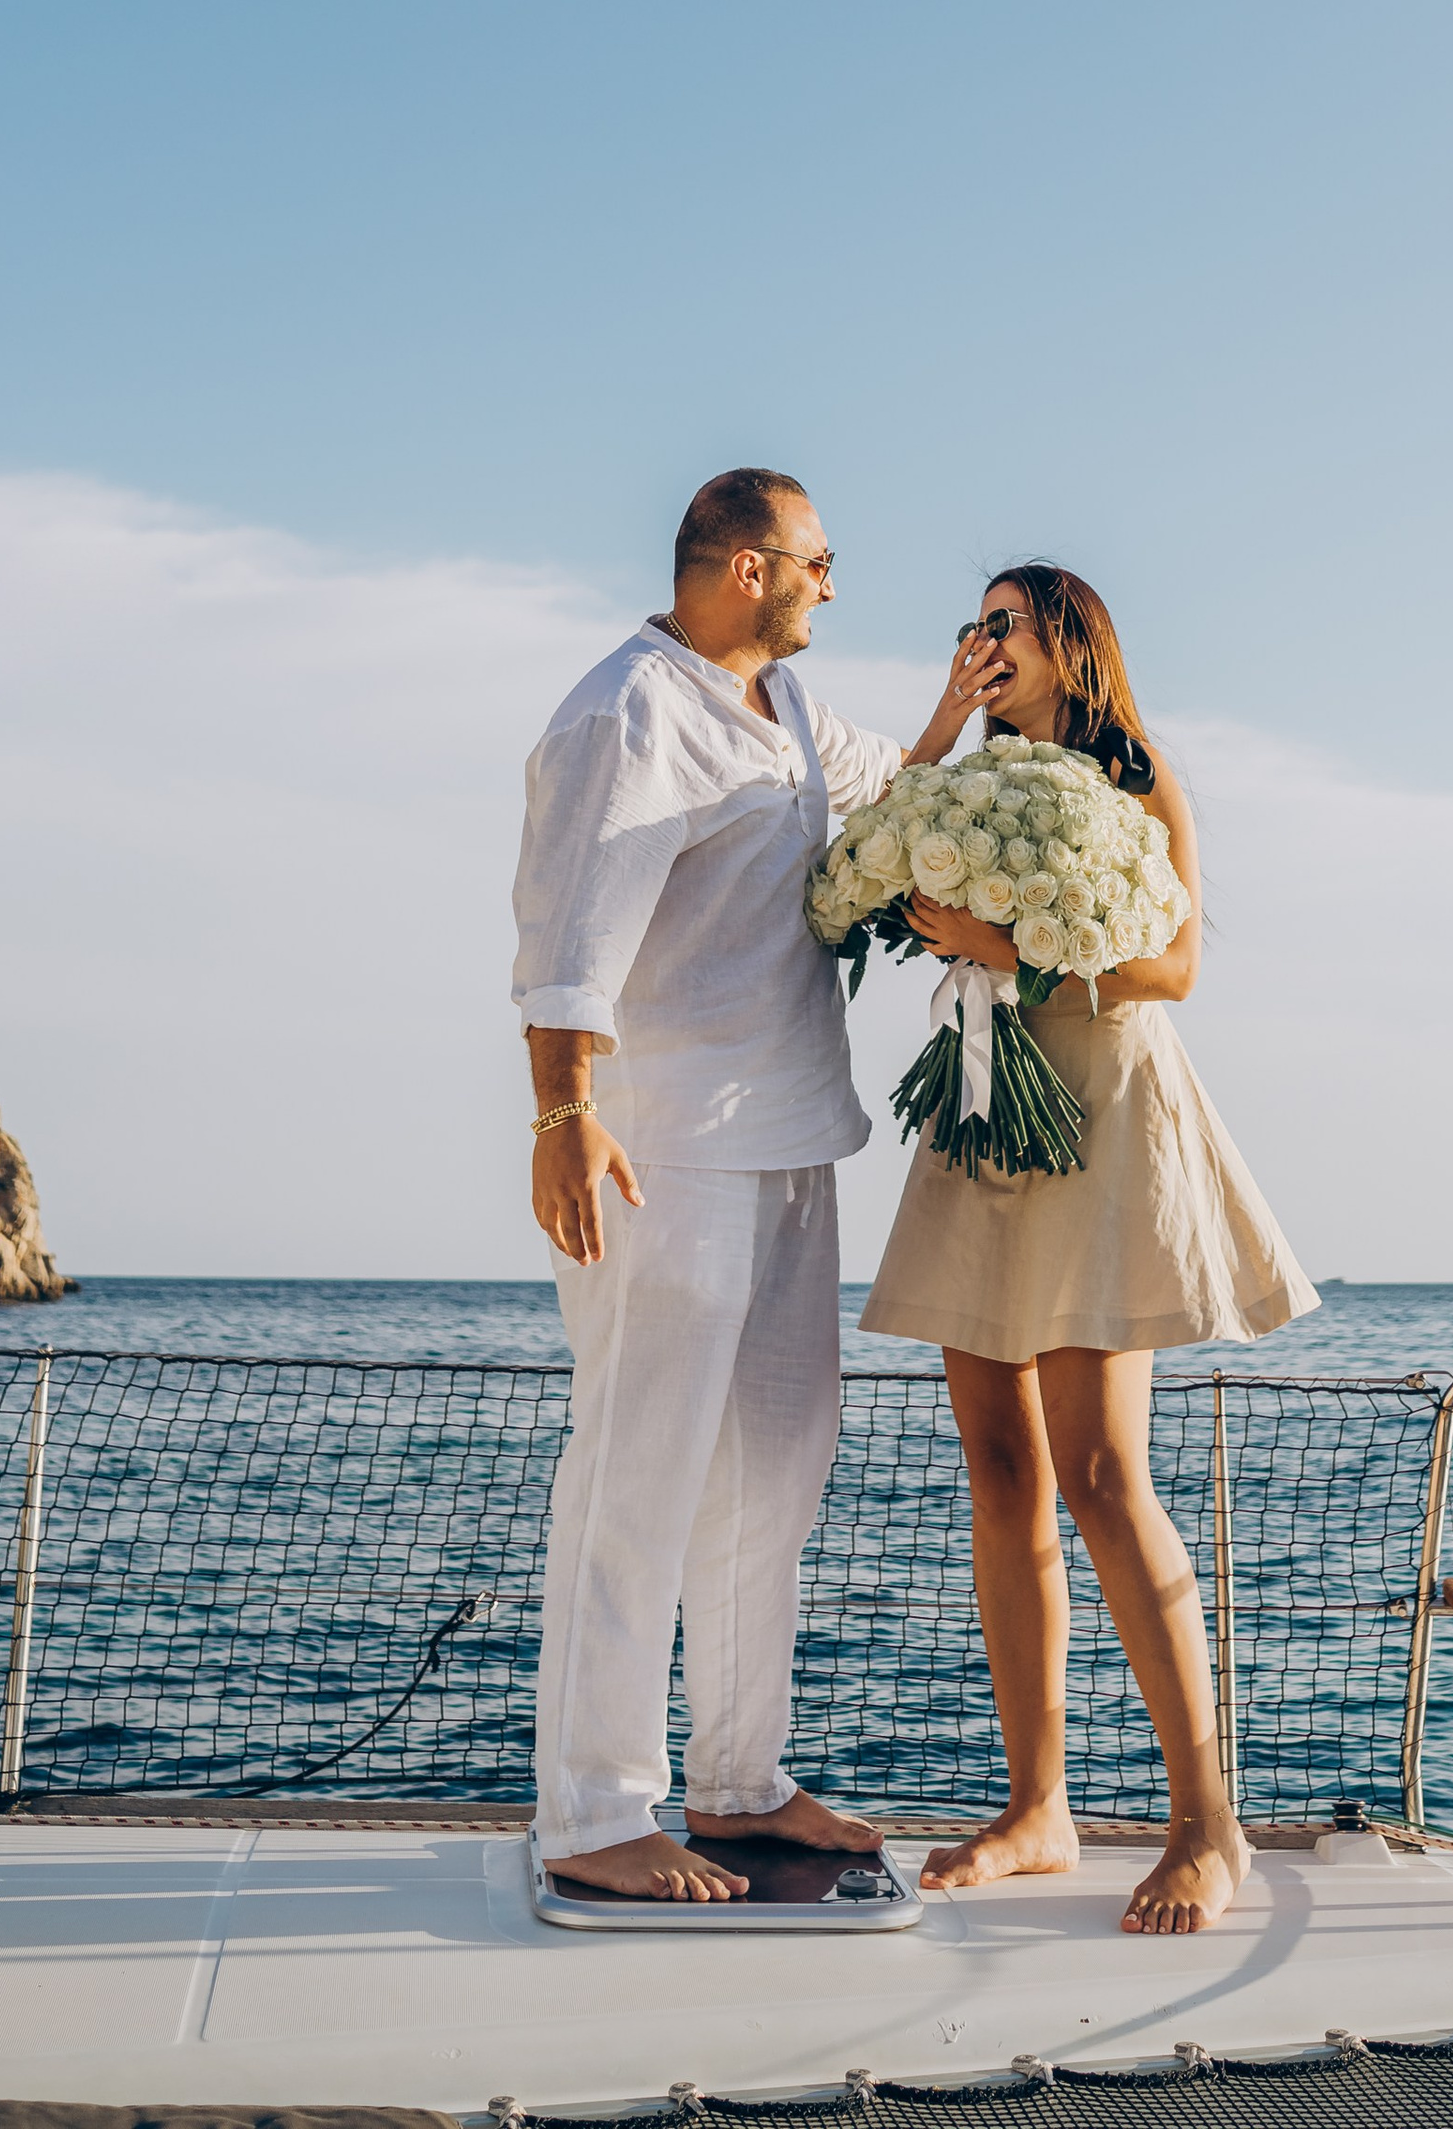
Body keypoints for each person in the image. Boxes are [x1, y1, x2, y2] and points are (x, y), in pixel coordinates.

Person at [514, 465, 1001, 1902]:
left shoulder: (785, 711)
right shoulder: (626, 713)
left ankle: (740, 1782)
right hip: (659, 1151)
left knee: (775, 1478)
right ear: (742, 568)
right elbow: (565, 934)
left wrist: (963, 704)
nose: (832, 584)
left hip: (794, 1141)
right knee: (636, 1479)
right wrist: (563, 1116)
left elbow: (890, 793)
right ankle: (596, 1814)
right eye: (818, 560)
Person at [860, 562, 1316, 1937]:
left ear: (1068, 640)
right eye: (972, 624)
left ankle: (1203, 1820)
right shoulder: (965, 780)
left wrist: (1018, 942)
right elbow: (867, 853)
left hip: (1100, 1105)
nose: (982, 639)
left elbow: (1173, 966)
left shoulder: (1133, 770)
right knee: (999, 1469)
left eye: (1002, 623)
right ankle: (1038, 1808)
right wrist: (940, 728)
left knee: (1107, 1473)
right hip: (988, 1093)